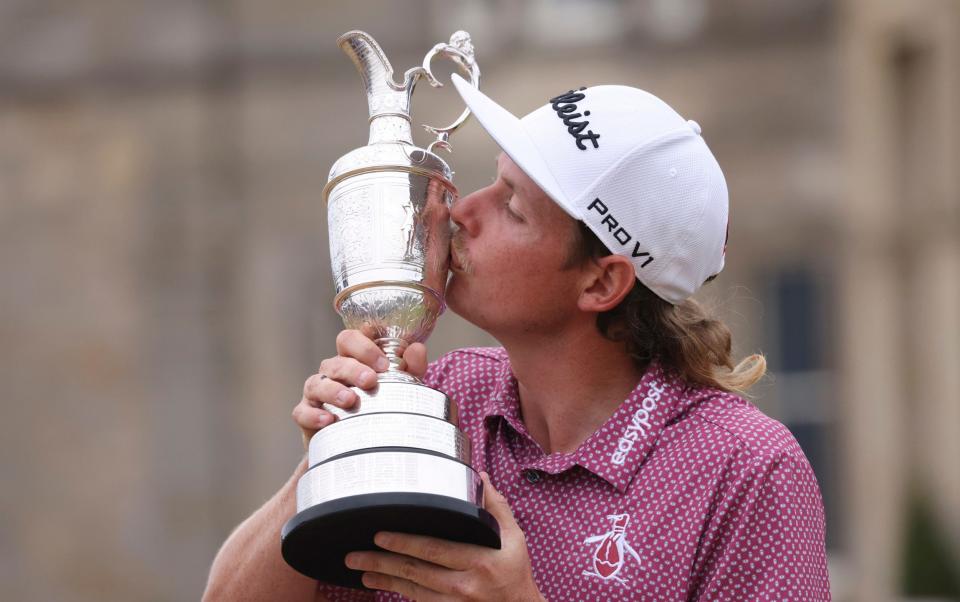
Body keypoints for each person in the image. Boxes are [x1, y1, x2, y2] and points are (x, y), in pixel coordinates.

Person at [204, 75, 831, 601]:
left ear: (600, 281)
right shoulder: (444, 394)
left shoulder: (746, 470)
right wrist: (328, 459)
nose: (462, 212)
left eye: (512, 206)